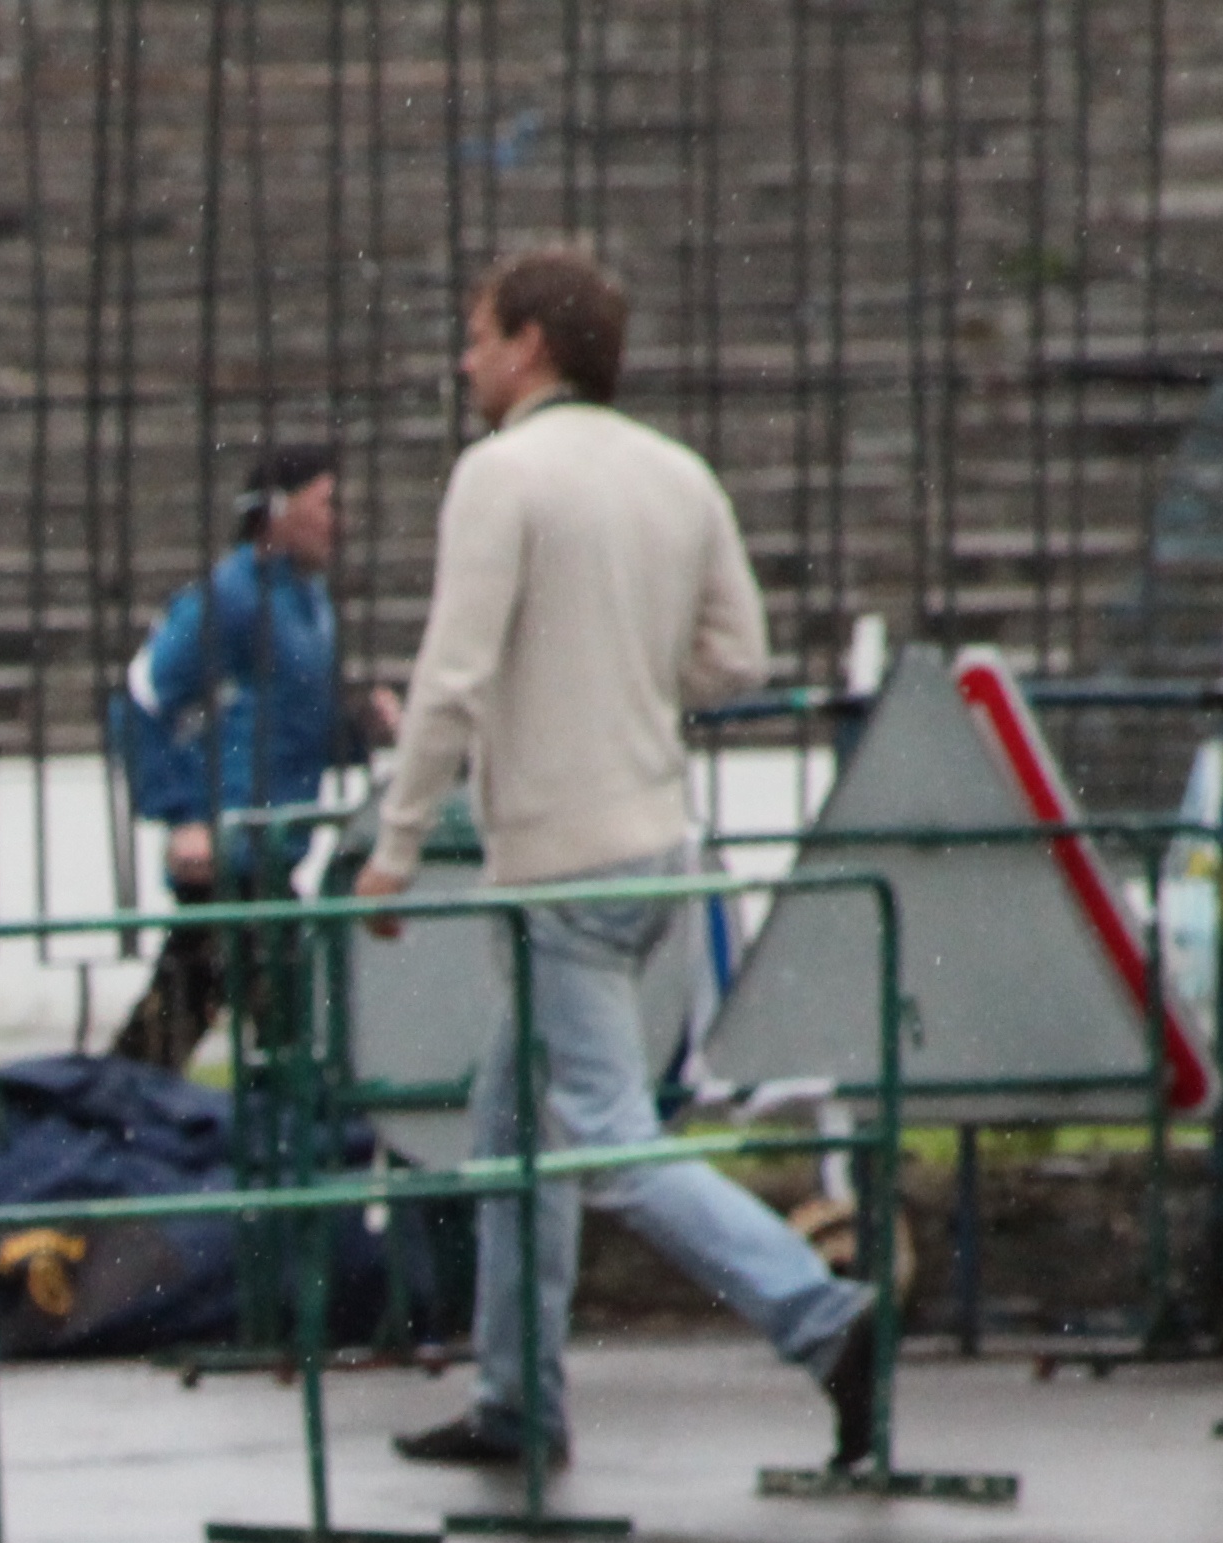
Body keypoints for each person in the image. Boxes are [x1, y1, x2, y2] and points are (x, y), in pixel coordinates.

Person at [356, 248, 881, 1473]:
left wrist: (393, 850)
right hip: (655, 849)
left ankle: (823, 1316)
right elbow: (735, 661)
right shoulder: (675, 475)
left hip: (562, 869)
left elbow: (451, 679)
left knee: (603, 1140)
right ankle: (515, 1402)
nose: (466, 359)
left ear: (531, 343)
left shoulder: (502, 478)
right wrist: (622, 676)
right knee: (511, 1133)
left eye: (478, 336)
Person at [110, 442, 394, 1073]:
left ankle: (105, 1130)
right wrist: (183, 816)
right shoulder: (233, 595)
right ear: (278, 510)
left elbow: (291, 724)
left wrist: (357, 729)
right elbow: (139, 699)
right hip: (230, 859)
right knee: (284, 1033)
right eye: (326, 504)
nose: (337, 521)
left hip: (270, 853)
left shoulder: (309, 604)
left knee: (186, 1031)